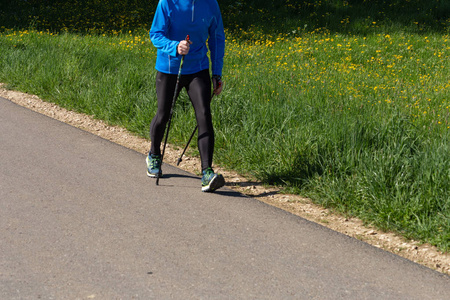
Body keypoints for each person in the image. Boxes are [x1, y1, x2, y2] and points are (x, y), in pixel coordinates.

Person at [146, 0, 226, 192]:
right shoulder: (167, 3)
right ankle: (154, 154)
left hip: (198, 68)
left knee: (204, 115)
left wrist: (216, 73)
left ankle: (207, 172)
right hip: (169, 68)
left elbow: (216, 37)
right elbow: (155, 34)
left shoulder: (210, 4)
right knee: (163, 115)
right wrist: (174, 46)